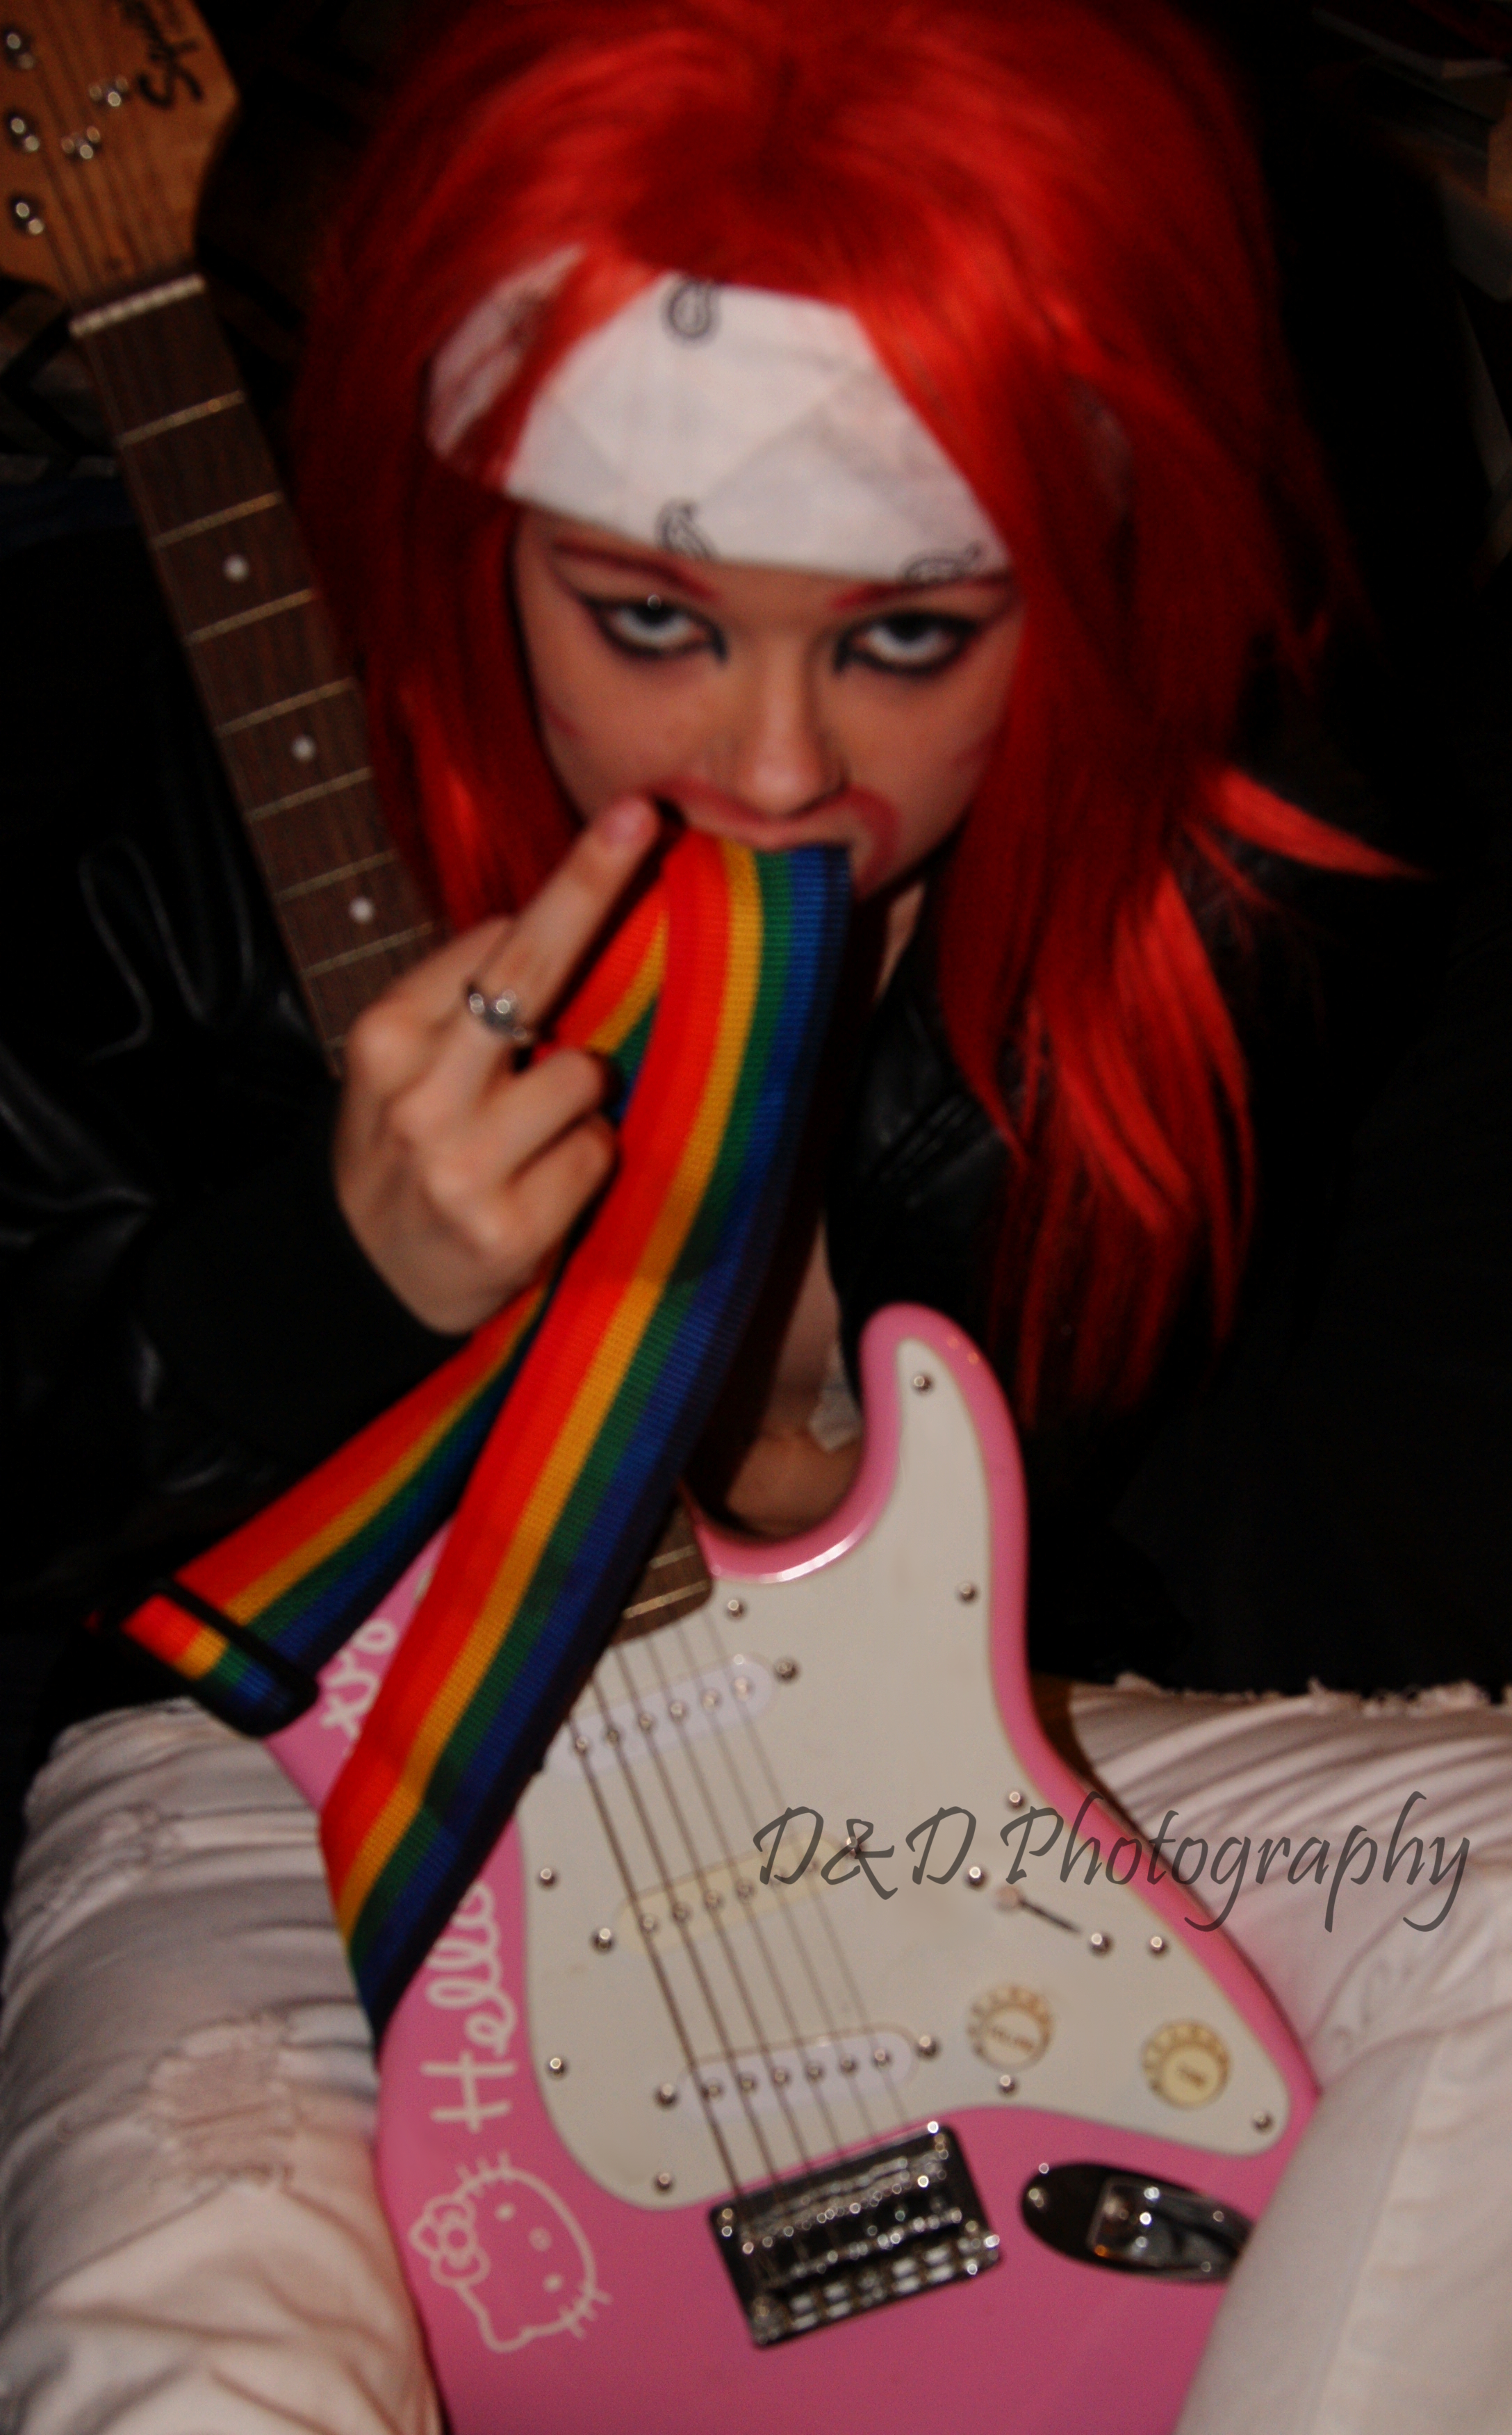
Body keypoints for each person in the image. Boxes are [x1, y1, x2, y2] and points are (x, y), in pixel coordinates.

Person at [1, 0, 1510, 2429]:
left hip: (909, 1743)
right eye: (652, 619)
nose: (781, 761)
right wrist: (326, 1283)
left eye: (907, 637)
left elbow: (1322, 1444)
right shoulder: (207, 821)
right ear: (490, 534)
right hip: (286, 1773)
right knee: (191, 2343)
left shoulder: (1217, 895)